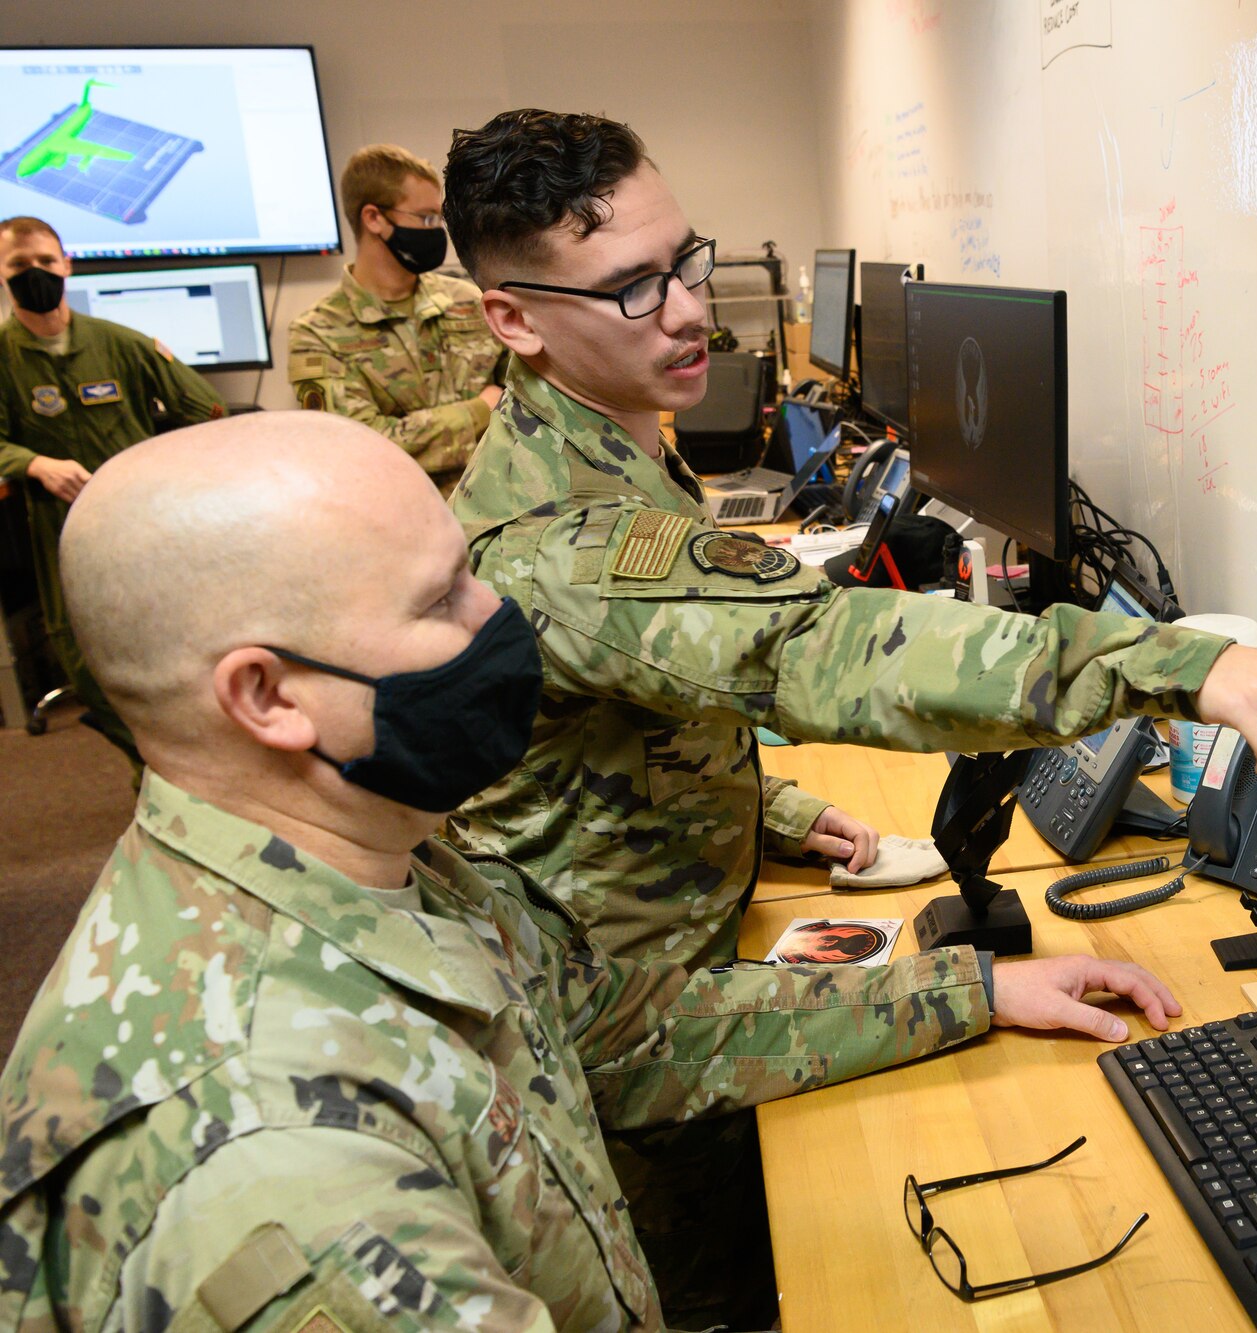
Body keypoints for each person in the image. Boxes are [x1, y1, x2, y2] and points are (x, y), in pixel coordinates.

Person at [440, 108, 1257, 1329]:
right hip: (632, 1075)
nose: (691, 309)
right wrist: (1174, 664)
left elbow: (608, 701)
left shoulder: (601, 446)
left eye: (686, 261)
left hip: (651, 967)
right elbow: (810, 642)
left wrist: (769, 805)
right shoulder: (559, 538)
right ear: (514, 317)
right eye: (631, 289)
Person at [0, 411, 1188, 1329]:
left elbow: (617, 1038)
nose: (501, 617)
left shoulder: (381, 861)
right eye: (443, 599)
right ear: (267, 696)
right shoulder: (278, 1167)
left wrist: (967, 993)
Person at [0, 214, 226, 766]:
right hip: (61, 535)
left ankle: (181, 769)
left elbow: (208, 410)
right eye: (19, 266)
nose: (36, 274)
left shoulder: (119, 344)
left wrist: (163, 466)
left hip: (141, 528)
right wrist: (32, 463)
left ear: (67, 265)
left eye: (46, 262)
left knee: (171, 650)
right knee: (86, 665)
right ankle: (151, 765)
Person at [289, 144, 503, 493]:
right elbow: (356, 450)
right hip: (397, 518)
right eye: (425, 218)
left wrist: (410, 433)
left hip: (496, 509)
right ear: (374, 218)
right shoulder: (317, 332)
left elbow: (525, 404)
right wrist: (478, 411)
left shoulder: (468, 301)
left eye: (439, 217)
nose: (437, 231)